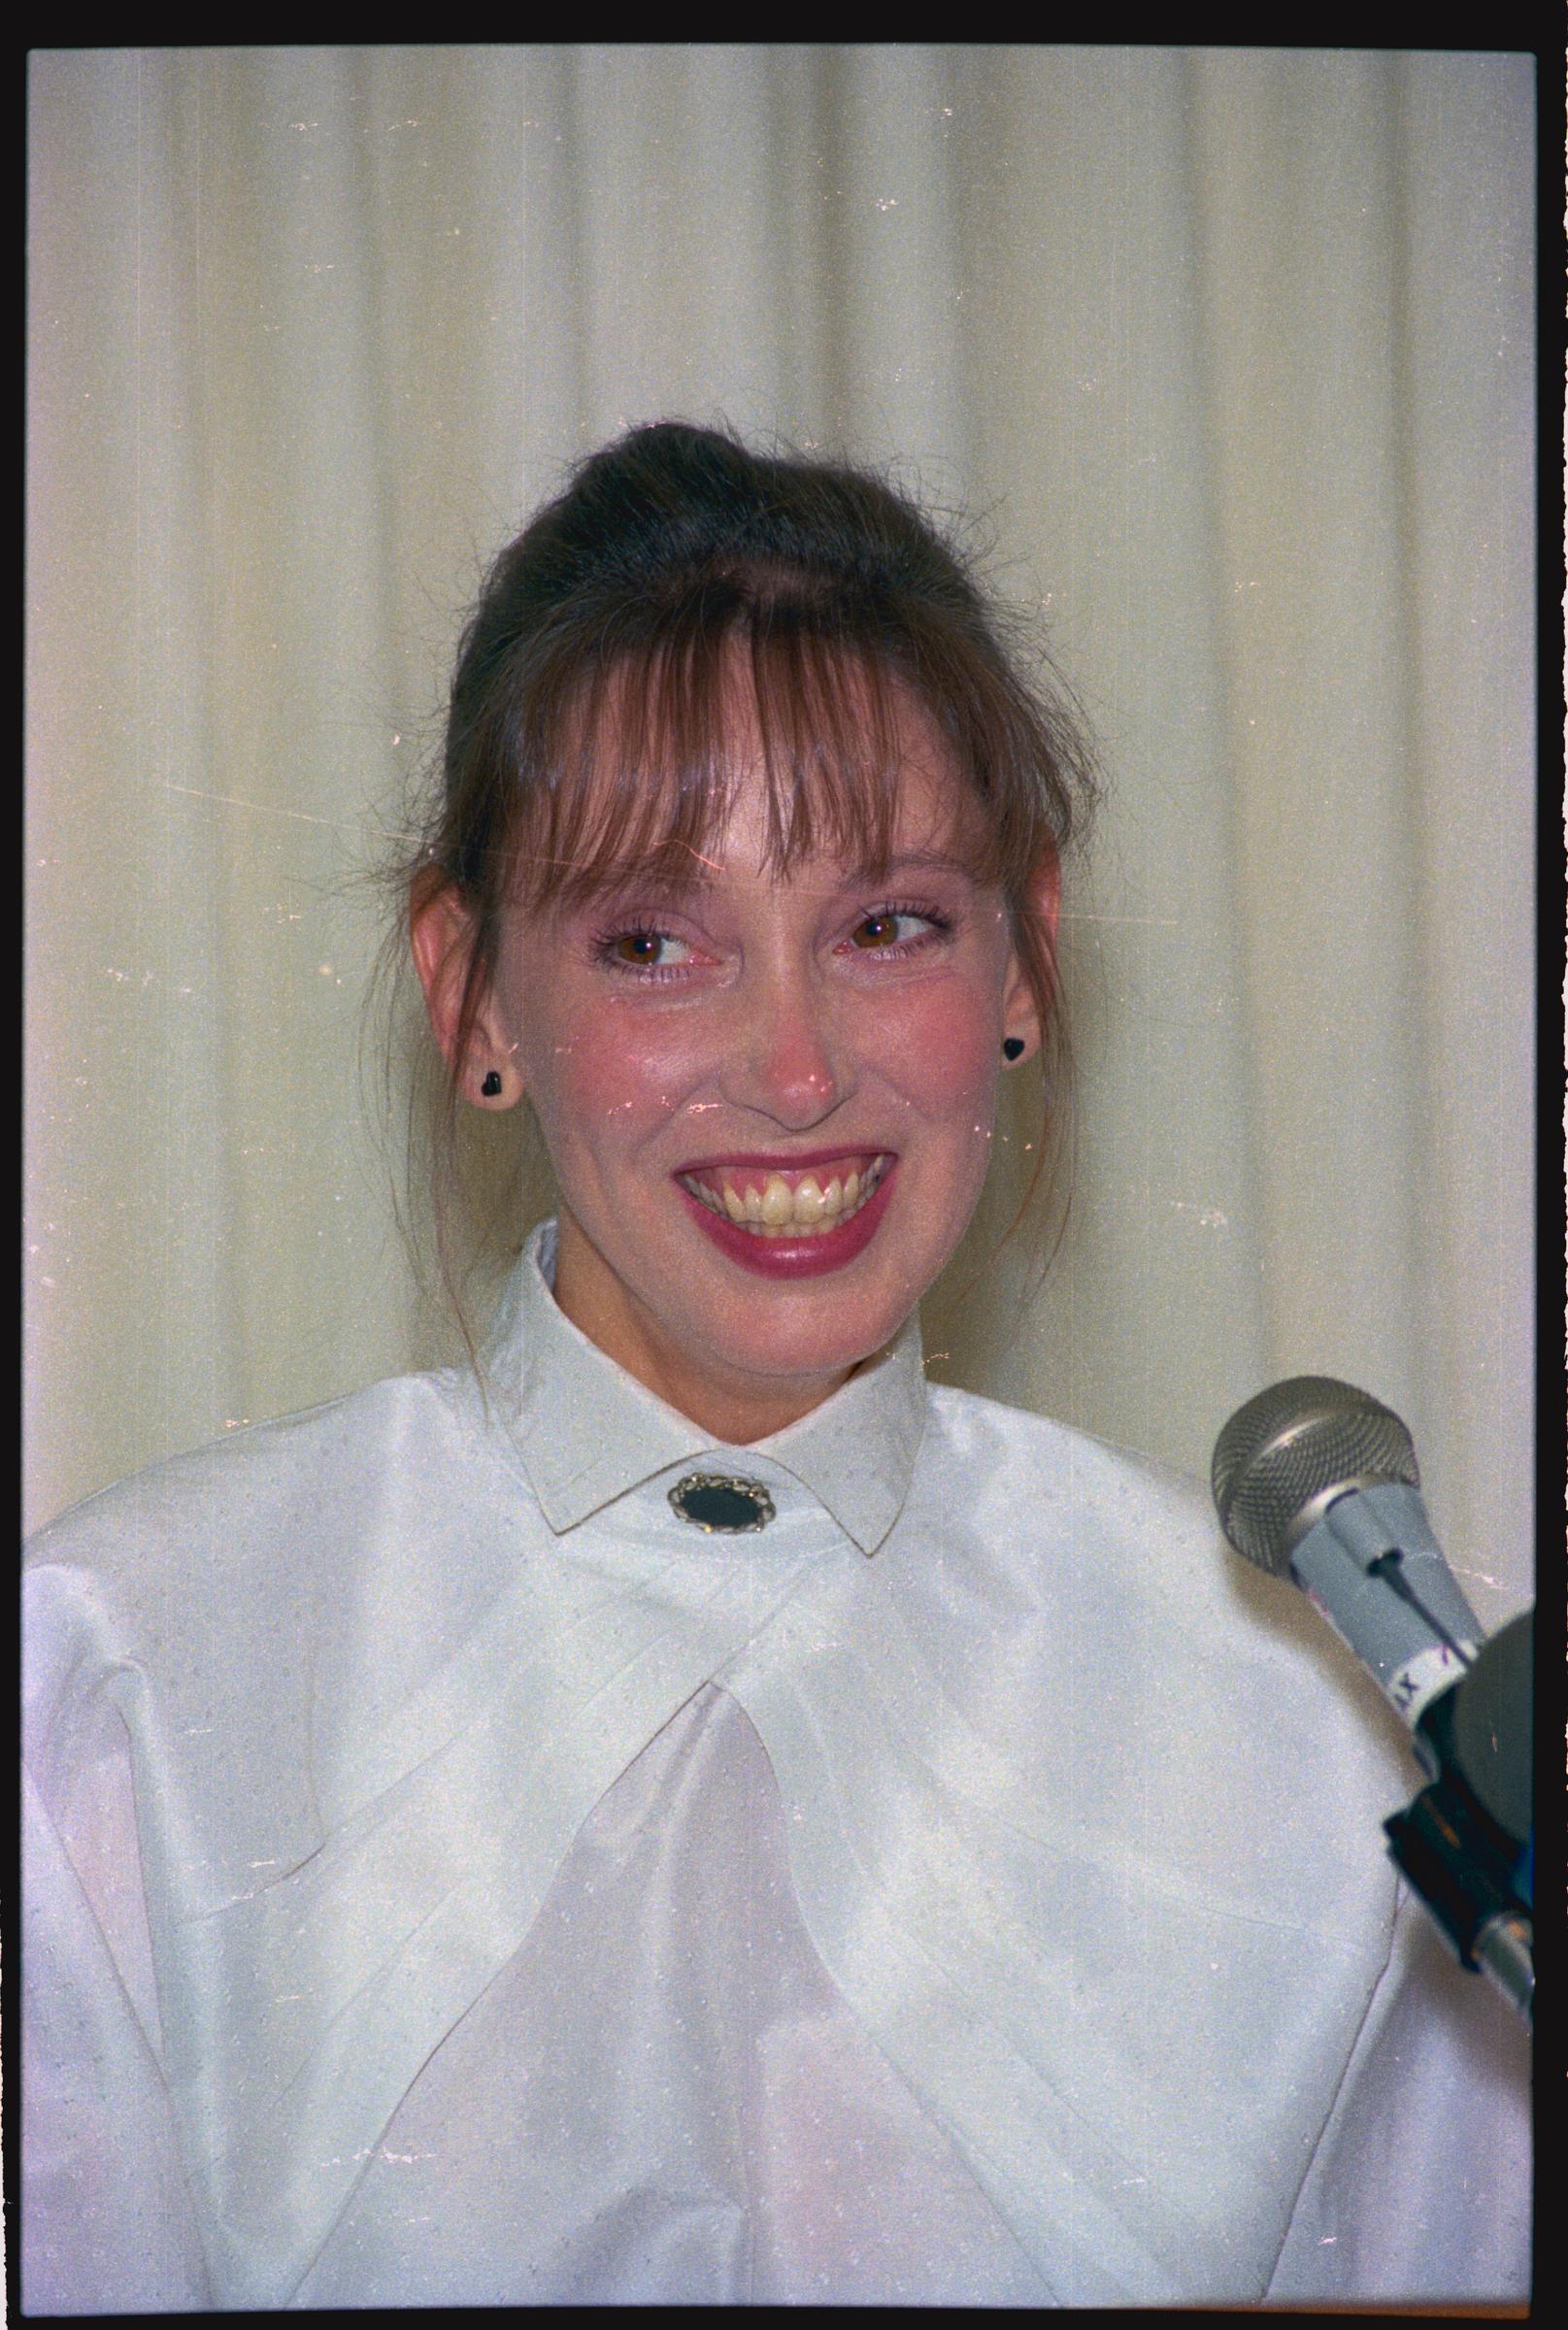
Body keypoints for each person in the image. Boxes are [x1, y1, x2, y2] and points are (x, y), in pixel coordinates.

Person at [22, 421, 1529, 2311]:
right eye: (653, 942)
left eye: (885, 926)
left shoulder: (1307, 1738)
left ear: (1024, 961)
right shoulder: (118, 1681)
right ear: (472, 992)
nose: (795, 1070)